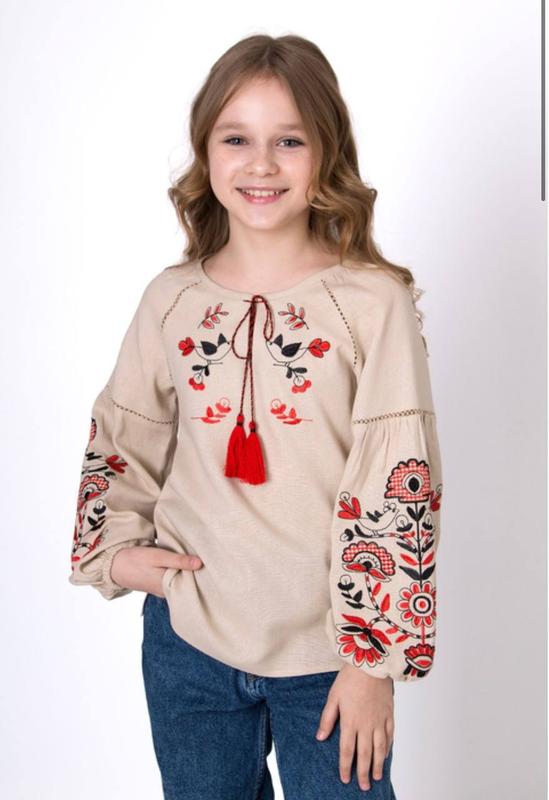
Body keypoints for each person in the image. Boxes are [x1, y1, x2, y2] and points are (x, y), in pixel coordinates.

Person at [69, 33, 443, 800]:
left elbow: (397, 480)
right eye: (236, 139)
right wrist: (114, 552)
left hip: (330, 656)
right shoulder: (171, 298)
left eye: (289, 141)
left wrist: (371, 662)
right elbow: (124, 433)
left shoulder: (369, 303)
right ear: (206, 152)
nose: (261, 164)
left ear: (325, 152)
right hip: (189, 648)